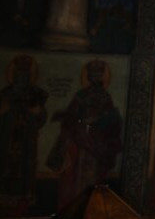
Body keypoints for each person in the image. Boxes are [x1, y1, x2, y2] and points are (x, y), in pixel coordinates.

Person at [46, 60, 124, 209]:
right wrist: (71, 118)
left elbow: (112, 122)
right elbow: (71, 116)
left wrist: (100, 120)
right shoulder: (81, 96)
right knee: (72, 172)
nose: (95, 77)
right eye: (93, 74)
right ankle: (72, 207)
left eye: (98, 74)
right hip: (80, 139)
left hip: (97, 143)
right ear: (88, 76)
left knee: (94, 175)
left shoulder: (105, 97)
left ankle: (89, 207)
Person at [0, 55, 48, 213]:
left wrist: (38, 112)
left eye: (25, 75)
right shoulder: (6, 94)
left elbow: (41, 117)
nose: (21, 78)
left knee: (23, 178)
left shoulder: (35, 94)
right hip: (3, 144)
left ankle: (20, 210)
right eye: (18, 74)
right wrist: (1, 112)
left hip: (25, 145)